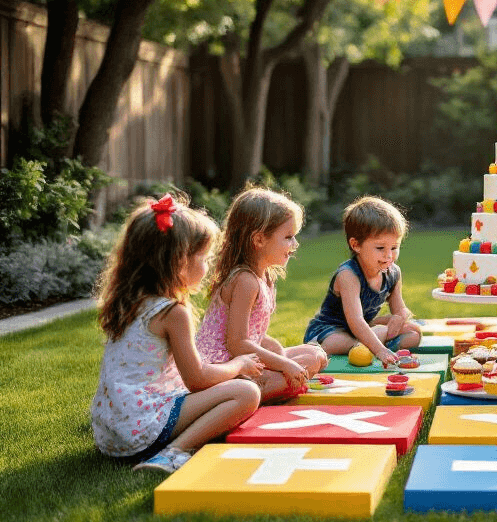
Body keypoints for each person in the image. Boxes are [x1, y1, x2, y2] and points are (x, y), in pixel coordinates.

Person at [91, 194, 263, 475]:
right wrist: (239, 365)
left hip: (111, 433)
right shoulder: (172, 313)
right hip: (142, 429)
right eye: (204, 258)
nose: (207, 266)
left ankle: (167, 447)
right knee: (246, 392)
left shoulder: (128, 301)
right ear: (179, 261)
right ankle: (173, 453)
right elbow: (197, 379)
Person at [196, 186, 327, 397]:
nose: (295, 243)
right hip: (223, 365)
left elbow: (252, 333)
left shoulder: (264, 276)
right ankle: (248, 392)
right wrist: (284, 363)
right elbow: (237, 343)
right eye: (288, 237)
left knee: (315, 354)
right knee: (308, 363)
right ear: (258, 240)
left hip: (245, 358)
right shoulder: (245, 281)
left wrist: (274, 349)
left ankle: (271, 383)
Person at [304, 195, 421, 362]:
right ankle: (372, 344)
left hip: (364, 328)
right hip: (331, 331)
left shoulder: (393, 273)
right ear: (356, 245)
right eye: (380, 247)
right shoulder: (348, 274)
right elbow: (356, 321)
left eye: (394, 247)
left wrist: (400, 317)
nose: (389, 255)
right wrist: (380, 350)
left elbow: (400, 308)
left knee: (414, 332)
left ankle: (366, 345)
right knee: (334, 342)